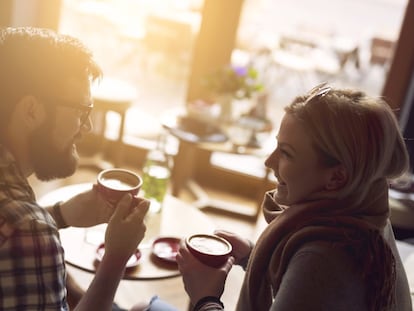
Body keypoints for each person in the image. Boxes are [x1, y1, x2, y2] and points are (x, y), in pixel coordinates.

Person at [176, 83, 413, 311]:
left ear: (336, 178)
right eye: (276, 146)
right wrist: (253, 256)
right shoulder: (369, 218)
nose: (269, 161)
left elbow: (320, 282)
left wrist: (205, 297)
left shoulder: (323, 258)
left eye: (287, 153)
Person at [0, 26, 153, 311]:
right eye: (82, 111)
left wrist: (59, 214)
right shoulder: (27, 229)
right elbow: (19, 232)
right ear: (31, 111)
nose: (88, 127)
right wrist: (116, 258)